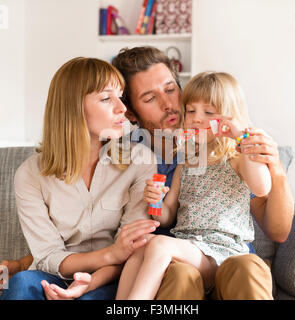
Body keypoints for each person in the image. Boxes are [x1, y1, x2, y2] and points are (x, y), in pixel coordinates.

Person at [0, 46, 294, 300]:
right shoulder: (137, 152)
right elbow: (85, 238)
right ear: (130, 112)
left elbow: (276, 228)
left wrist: (275, 169)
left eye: (171, 90)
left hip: (219, 256)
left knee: (235, 269)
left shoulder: (221, 150)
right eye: (150, 98)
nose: (171, 104)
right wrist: (21, 263)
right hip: (163, 267)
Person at [0, 57, 160, 300]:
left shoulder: (140, 161)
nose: (122, 108)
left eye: (120, 96)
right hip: (56, 273)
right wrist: (112, 253)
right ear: (72, 108)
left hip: (109, 277)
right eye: (105, 98)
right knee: (21, 284)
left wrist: (91, 281)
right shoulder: (30, 174)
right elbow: (47, 256)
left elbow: (133, 250)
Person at [116, 71, 272, 299]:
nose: (196, 118)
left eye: (208, 112)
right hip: (191, 251)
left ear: (230, 118)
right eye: (190, 111)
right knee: (142, 245)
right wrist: (156, 203)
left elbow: (262, 188)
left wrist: (239, 136)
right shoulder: (187, 161)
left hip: (224, 254)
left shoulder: (237, 158)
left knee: (159, 245)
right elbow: (168, 216)